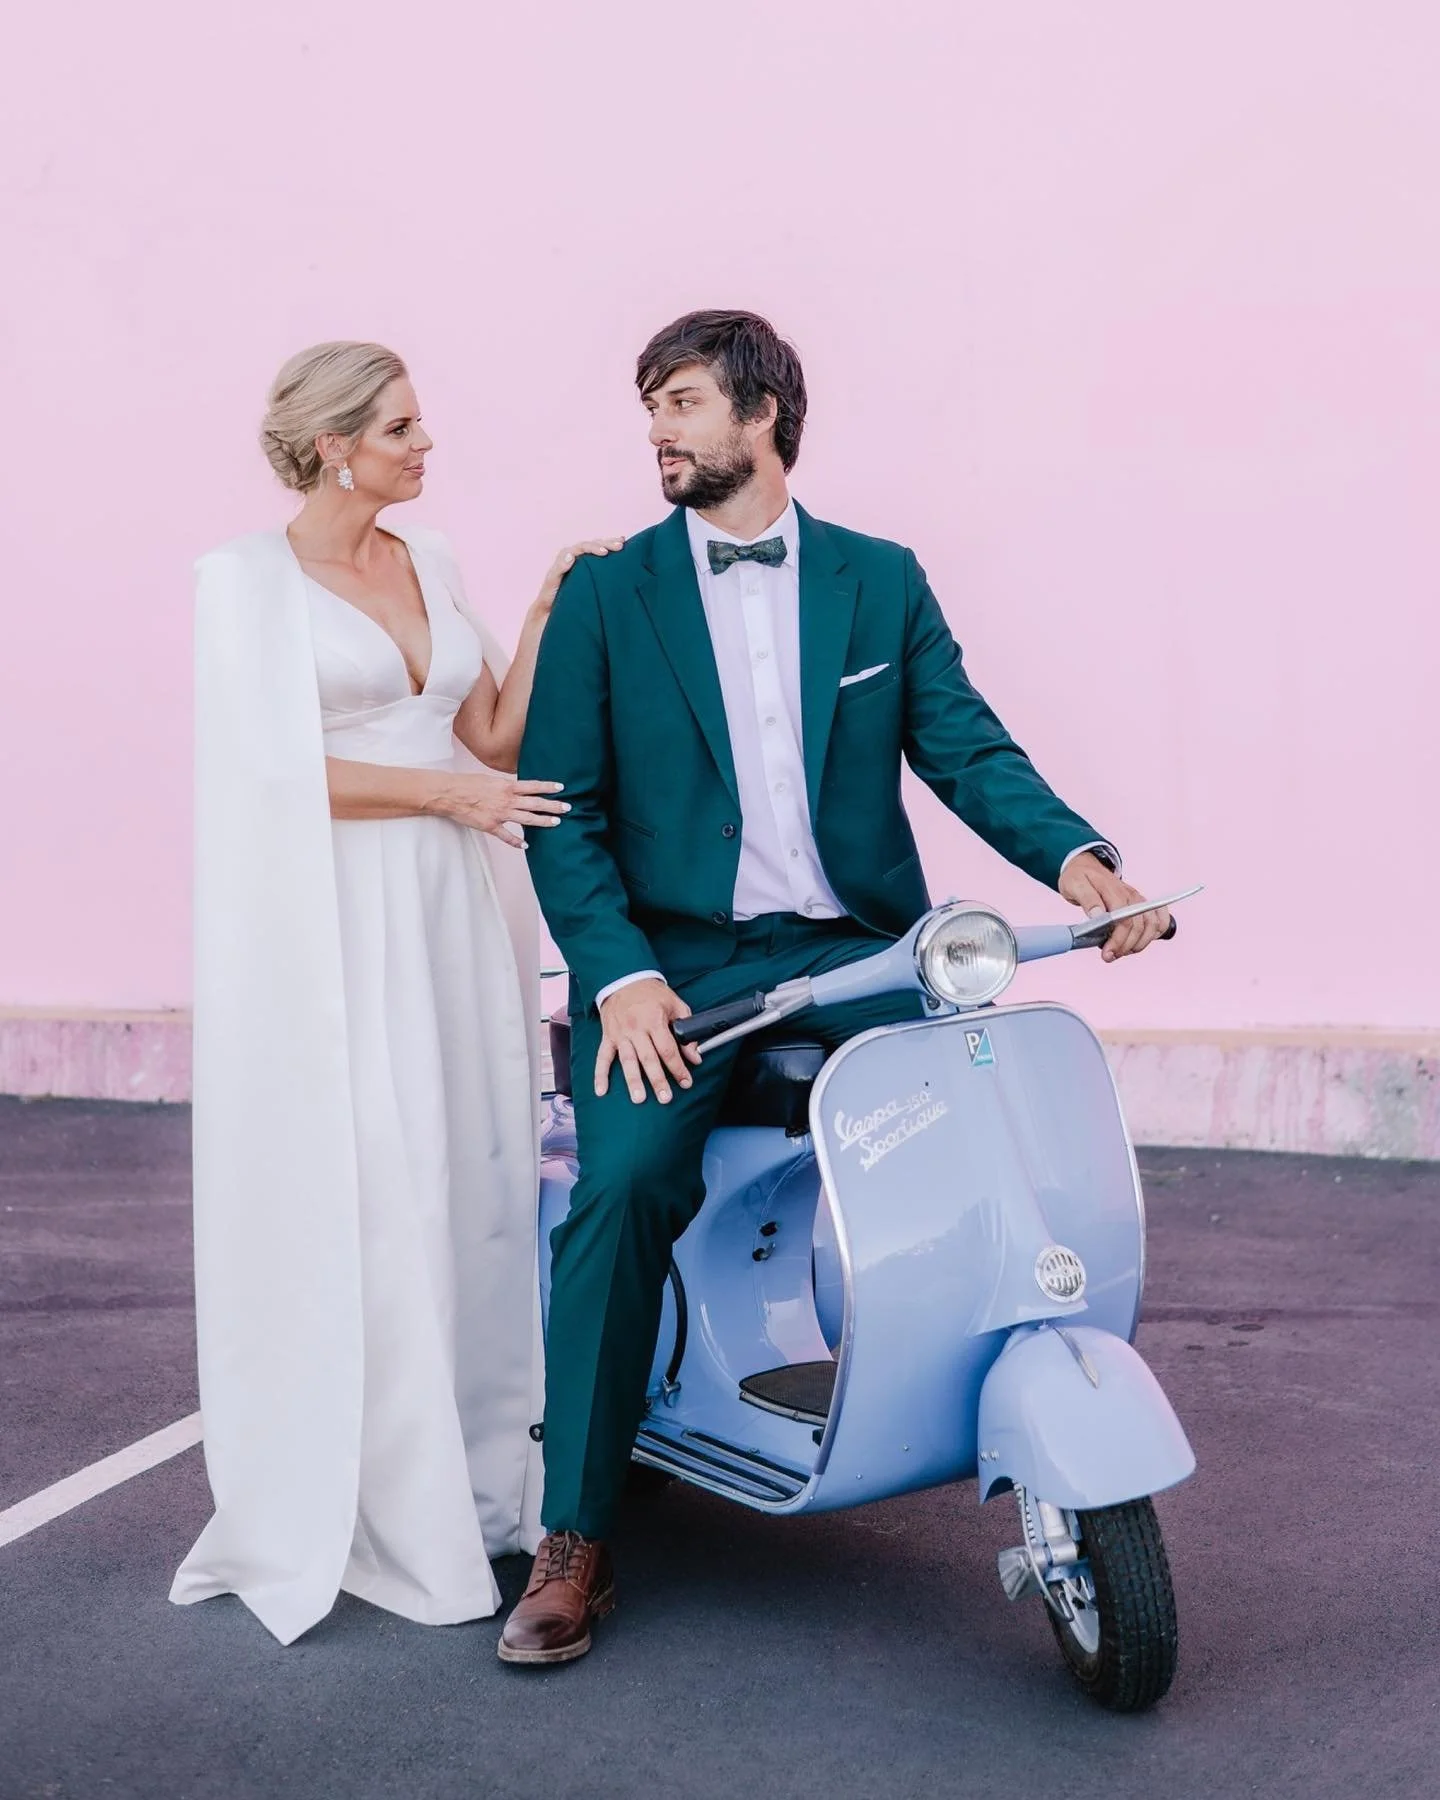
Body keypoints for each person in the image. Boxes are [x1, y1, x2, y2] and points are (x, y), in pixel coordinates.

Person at [505, 308, 1172, 1665]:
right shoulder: (608, 595)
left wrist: (1082, 862)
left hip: (857, 950)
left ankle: (998, 1393)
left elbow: (966, 747)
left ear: (763, 416)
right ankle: (575, 1533)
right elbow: (562, 813)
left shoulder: (879, 579)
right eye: (652, 406)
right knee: (627, 1184)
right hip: (674, 967)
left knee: (981, 1119)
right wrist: (618, 975)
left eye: (684, 402)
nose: (657, 431)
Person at [171, 340, 621, 1645]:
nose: (427, 447)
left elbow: (487, 735)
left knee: (476, 1177)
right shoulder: (242, 581)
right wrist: (444, 796)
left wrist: (540, 612)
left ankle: (484, 1486)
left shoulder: (430, 558)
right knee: (382, 1182)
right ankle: (389, 1498)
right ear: (334, 447)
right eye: (402, 429)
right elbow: (260, 768)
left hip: (455, 904)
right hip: (334, 918)